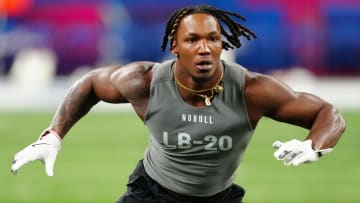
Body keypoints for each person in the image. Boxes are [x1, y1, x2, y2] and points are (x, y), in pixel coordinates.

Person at [11, 5, 346, 203]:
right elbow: (89, 84)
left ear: (221, 45)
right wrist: (53, 135)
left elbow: (327, 114)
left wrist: (313, 146)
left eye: (212, 39)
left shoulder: (251, 90)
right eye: (193, 39)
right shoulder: (144, 82)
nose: (204, 48)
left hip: (218, 197)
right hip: (151, 193)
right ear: (175, 46)